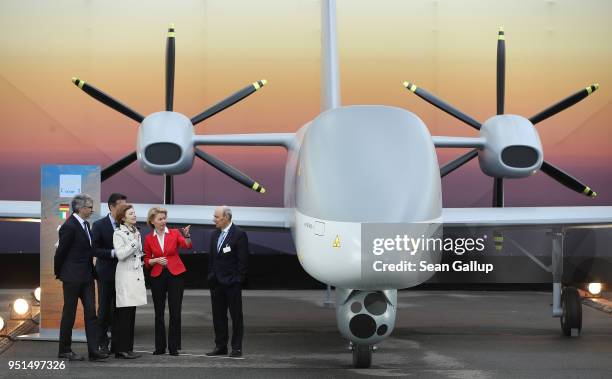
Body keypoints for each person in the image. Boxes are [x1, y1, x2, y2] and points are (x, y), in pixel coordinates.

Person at [54, 194, 108, 362]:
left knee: (91, 313)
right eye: (89, 207)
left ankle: (93, 350)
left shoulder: (85, 225)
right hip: (72, 277)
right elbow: (60, 253)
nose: (92, 210)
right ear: (80, 208)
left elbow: (89, 250)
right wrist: (59, 273)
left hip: (86, 276)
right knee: (69, 313)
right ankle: (64, 350)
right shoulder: (69, 226)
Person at [143, 207, 192, 356]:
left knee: (175, 311)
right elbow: (146, 261)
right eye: (160, 219)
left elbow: (187, 245)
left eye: (164, 218)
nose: (163, 221)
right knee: (159, 312)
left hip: (175, 274)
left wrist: (187, 235)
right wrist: (155, 260)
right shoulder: (148, 238)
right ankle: (159, 347)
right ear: (152, 221)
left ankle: (174, 347)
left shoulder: (175, 233)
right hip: (157, 276)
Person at [206, 205, 249, 358]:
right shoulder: (214, 234)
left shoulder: (239, 234)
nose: (214, 219)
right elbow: (212, 258)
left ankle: (236, 348)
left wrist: (238, 279)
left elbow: (243, 261)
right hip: (216, 283)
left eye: (216, 217)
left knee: (236, 316)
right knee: (218, 316)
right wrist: (211, 276)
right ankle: (220, 346)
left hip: (232, 284)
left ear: (226, 218)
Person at [91, 192, 127, 354]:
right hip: (105, 273)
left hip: (123, 273)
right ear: (111, 207)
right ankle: (102, 343)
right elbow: (95, 249)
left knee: (119, 310)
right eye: (122, 206)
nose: (125, 209)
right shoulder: (99, 225)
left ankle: (118, 345)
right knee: (104, 309)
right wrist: (113, 253)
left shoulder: (126, 224)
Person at [112, 203, 147, 359]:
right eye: (131, 213)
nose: (134, 215)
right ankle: (121, 349)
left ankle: (128, 348)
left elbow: (137, 252)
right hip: (125, 275)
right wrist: (133, 242)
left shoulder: (136, 231)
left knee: (131, 313)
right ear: (123, 217)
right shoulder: (118, 233)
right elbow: (121, 255)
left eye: (134, 213)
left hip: (135, 274)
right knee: (124, 314)